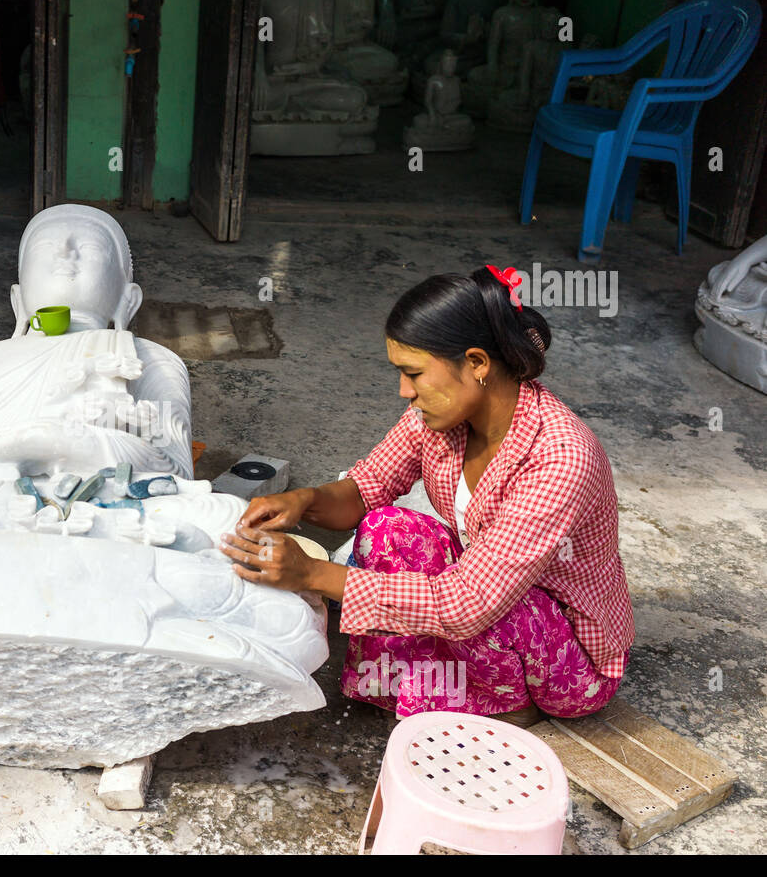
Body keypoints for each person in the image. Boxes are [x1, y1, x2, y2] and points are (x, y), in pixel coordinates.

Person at [218, 265, 634, 722]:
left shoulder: (560, 456)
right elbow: (367, 488)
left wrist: (311, 574)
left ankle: (509, 704)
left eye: (413, 373)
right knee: (386, 529)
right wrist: (304, 500)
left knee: (487, 607)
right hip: (491, 595)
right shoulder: (438, 418)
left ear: (476, 364)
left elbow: (469, 603)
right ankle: (420, 683)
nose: (403, 391)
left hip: (566, 659)